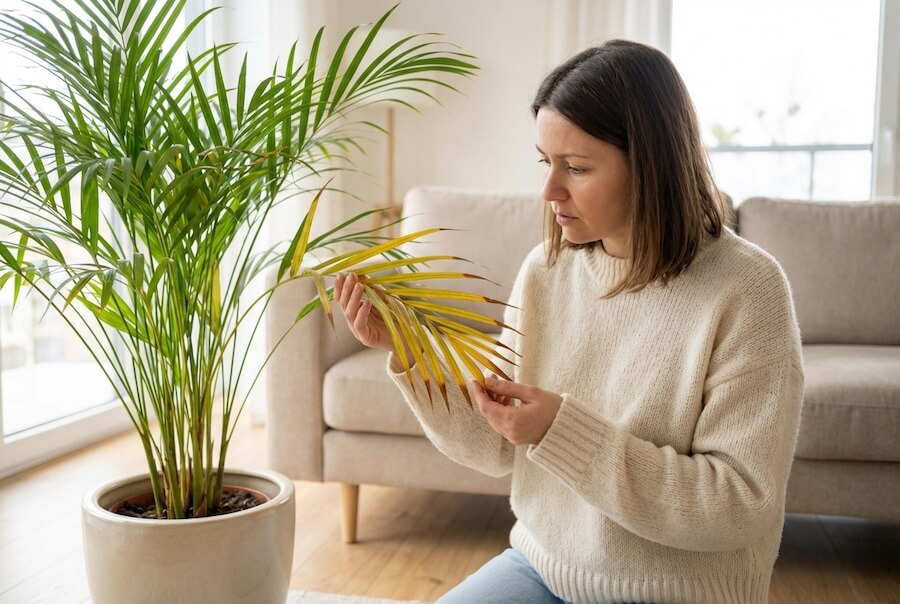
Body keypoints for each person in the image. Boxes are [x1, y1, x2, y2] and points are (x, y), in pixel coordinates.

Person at [334, 39, 803, 604]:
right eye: (545, 162)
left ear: (651, 166)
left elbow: (737, 503)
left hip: (678, 591)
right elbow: (495, 446)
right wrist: (410, 352)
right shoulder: (547, 270)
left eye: (576, 167)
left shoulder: (749, 290)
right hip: (542, 568)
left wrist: (564, 432)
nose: (549, 191)